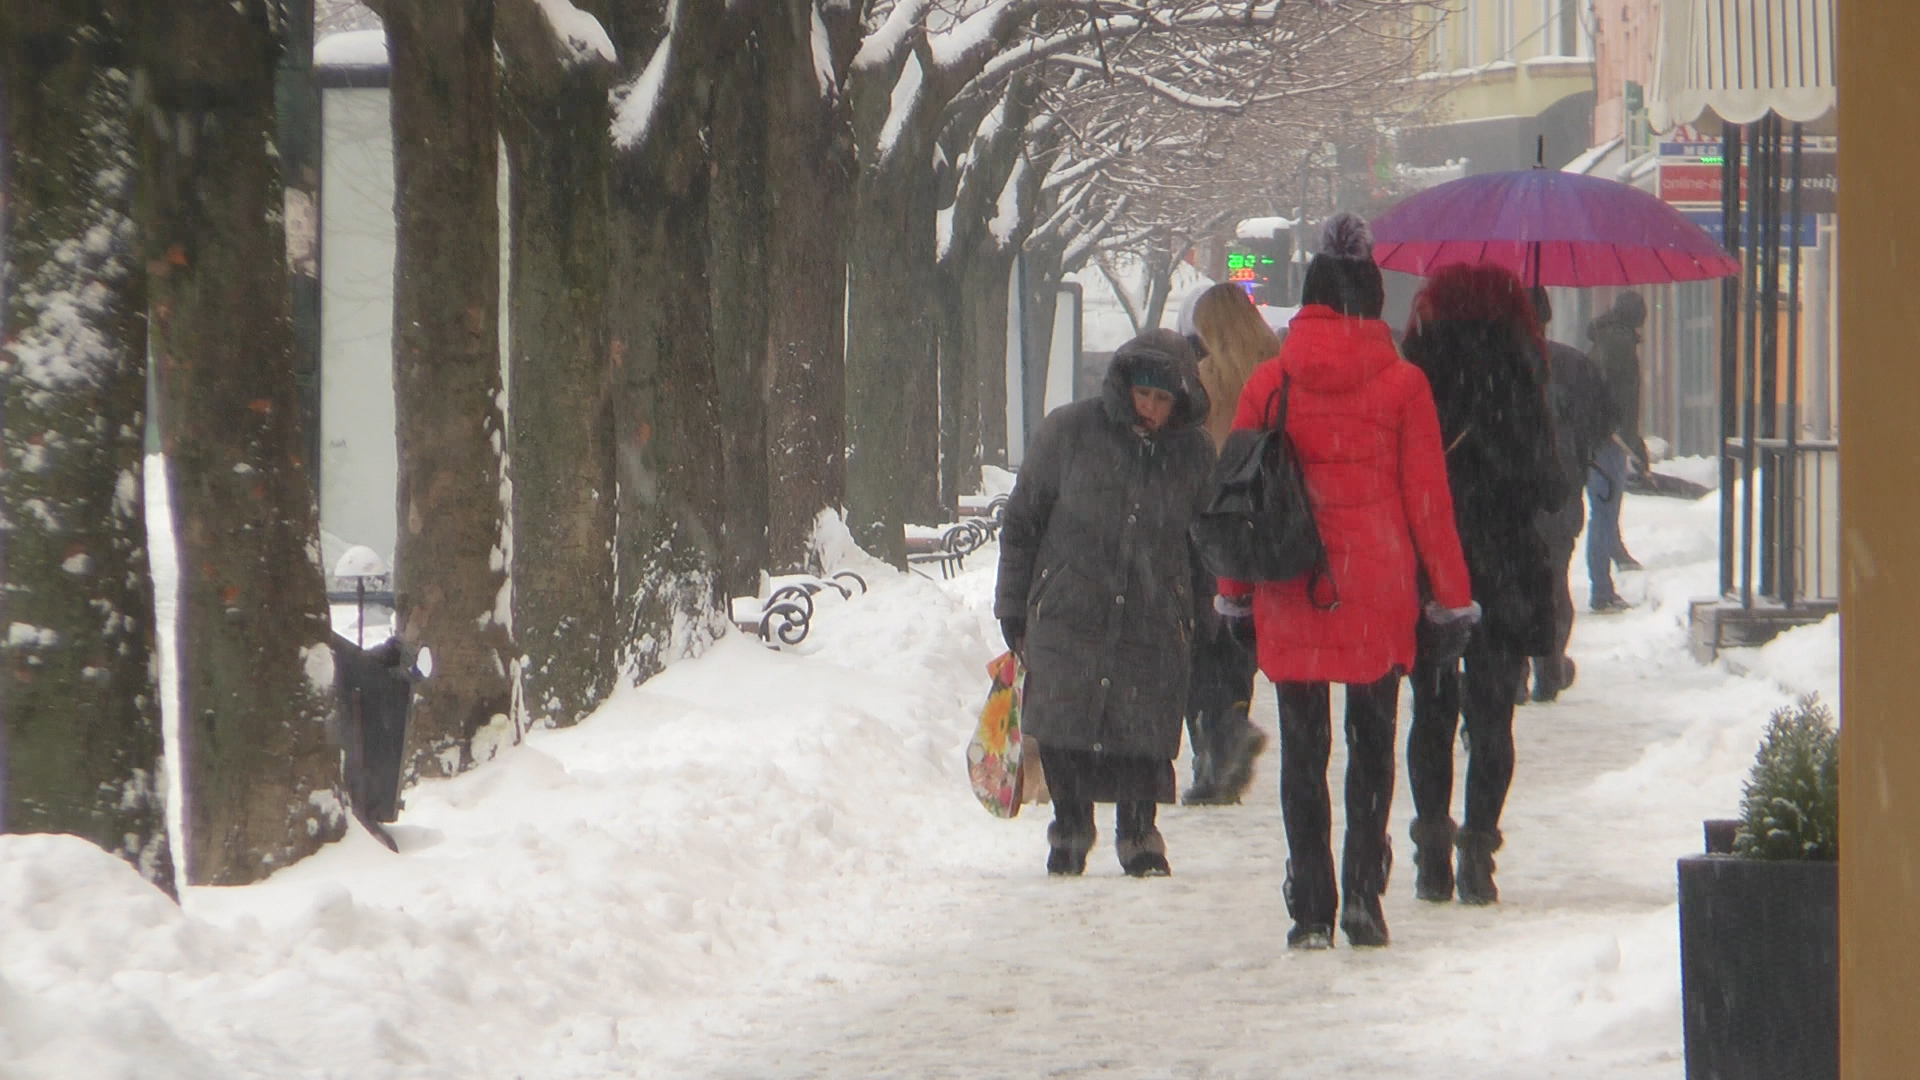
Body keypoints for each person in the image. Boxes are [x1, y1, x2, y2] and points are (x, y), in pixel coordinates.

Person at [1214, 214, 1476, 948]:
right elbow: (1430, 504)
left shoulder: (1270, 384)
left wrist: (1234, 590)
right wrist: (1452, 599)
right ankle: (1364, 891)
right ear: (1373, 298)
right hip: (1377, 592)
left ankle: (1310, 904)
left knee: (1304, 750)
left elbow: (1241, 495)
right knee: (1371, 741)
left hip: (1293, 581)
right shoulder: (1402, 385)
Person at [994, 328, 1216, 878]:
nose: (1151, 409)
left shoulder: (1193, 454)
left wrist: (1205, 612)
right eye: (1145, 395)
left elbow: (1205, 541)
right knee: (1067, 723)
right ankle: (1070, 827)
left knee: (1142, 726)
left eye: (1164, 400)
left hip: (1154, 612)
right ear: (1125, 387)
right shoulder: (1069, 432)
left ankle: (1139, 833)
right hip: (1071, 607)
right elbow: (1022, 523)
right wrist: (1013, 605)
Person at [1400, 264, 1571, 906]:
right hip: (1503, 567)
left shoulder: (1415, 367)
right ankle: (1478, 855)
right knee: (1494, 716)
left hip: (1433, 562)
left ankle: (1431, 854)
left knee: (1433, 709)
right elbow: (1549, 485)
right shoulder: (1522, 370)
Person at [1181, 284, 1280, 805]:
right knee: (1240, 634)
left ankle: (1214, 745)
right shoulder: (1275, 371)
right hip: (1259, 522)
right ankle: (1232, 725)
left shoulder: (1201, 382)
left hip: (1206, 523)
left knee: (1200, 643)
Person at [1525, 287, 1617, 703]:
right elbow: (1602, 422)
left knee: (1511, 581)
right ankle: (1550, 664)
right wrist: (1576, 453)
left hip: (1509, 497)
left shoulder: (1491, 363)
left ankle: (1511, 673)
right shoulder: (1573, 363)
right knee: (1554, 580)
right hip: (1561, 492)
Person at [1585, 291, 1649, 611]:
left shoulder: (1607, 340)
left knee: (1604, 512)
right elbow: (1620, 400)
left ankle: (1606, 579)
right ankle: (1601, 590)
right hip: (1608, 441)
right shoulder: (1619, 346)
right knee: (1604, 513)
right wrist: (1631, 441)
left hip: (1603, 438)